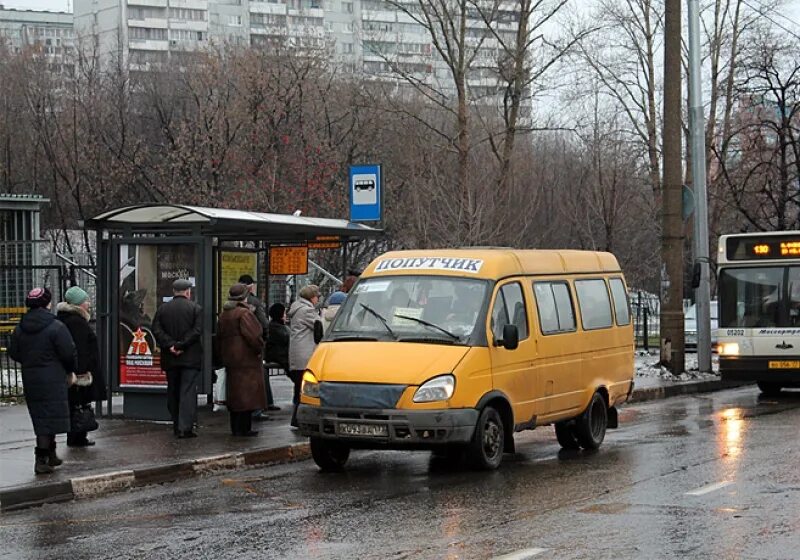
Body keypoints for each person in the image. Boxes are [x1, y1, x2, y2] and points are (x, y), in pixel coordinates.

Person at [8, 287, 77, 475]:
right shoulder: (56, 326)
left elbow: (14, 352)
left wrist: (31, 362)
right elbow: (68, 352)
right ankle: (42, 459)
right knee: (50, 416)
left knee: (42, 417)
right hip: (53, 377)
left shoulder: (20, 328)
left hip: (31, 378)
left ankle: (51, 454)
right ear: (47, 303)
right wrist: (70, 370)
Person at [152, 279, 202, 439]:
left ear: (174, 291)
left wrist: (170, 345)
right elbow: (197, 331)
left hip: (170, 358)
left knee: (173, 391)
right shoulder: (195, 308)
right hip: (190, 358)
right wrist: (181, 345)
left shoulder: (162, 309)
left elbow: (156, 330)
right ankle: (185, 427)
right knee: (187, 392)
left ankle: (175, 424)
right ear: (188, 292)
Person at [56, 286, 106, 447]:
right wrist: (82, 371)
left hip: (74, 370)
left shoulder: (67, 319)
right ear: (78, 304)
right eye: (86, 301)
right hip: (81, 371)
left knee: (76, 404)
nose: (89, 304)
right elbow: (80, 349)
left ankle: (77, 436)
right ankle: (77, 436)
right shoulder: (76, 322)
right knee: (79, 404)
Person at [216, 283, 267, 437]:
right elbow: (254, 335)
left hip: (231, 359)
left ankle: (236, 428)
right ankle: (244, 428)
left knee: (235, 395)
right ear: (244, 296)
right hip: (246, 360)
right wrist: (259, 348)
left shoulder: (224, 314)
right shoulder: (244, 314)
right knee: (247, 396)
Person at [238, 274, 279, 416]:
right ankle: (259, 407)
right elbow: (264, 323)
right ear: (250, 286)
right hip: (254, 344)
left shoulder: (229, 305)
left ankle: (245, 408)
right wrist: (264, 340)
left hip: (237, 348)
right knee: (258, 375)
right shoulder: (254, 302)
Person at [288, 284, 322, 427]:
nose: (318, 299)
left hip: (297, 354)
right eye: (317, 296)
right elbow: (320, 326)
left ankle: (296, 419)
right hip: (305, 355)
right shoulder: (307, 311)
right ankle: (299, 419)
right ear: (312, 297)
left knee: (298, 388)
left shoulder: (297, 308)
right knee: (304, 390)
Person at [264, 303, 290, 373]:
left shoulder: (275, 325)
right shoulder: (277, 327)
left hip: (278, 355)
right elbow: (286, 339)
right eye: (284, 313)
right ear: (280, 315)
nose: (285, 315)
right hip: (279, 356)